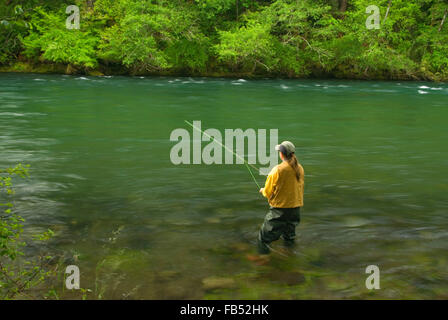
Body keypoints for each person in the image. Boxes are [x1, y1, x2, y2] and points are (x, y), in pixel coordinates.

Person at [257, 141, 305, 254]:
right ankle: (289, 255)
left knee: (263, 237)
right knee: (289, 237)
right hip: (295, 209)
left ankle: (262, 259)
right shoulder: (300, 168)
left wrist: (263, 190)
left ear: (281, 154)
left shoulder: (278, 169)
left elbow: (268, 192)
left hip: (280, 211)